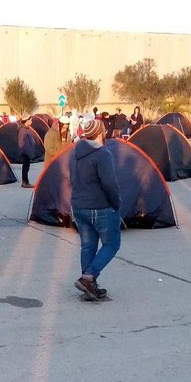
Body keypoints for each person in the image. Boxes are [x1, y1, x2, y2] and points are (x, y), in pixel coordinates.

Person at [70, 119, 121, 301]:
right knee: (112, 244)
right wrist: (116, 203)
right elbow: (109, 183)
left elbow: (72, 179)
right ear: (101, 132)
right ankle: (88, 277)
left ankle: (89, 287)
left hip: (79, 206)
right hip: (99, 207)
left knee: (88, 246)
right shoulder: (102, 153)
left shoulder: (75, 153)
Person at [17, 116, 36, 188]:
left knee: (26, 167)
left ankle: (26, 182)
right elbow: (23, 143)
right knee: (25, 167)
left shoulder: (26, 129)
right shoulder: (23, 130)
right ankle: (25, 182)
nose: (31, 122)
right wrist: (28, 153)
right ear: (27, 120)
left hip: (27, 152)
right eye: (31, 120)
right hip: (26, 152)